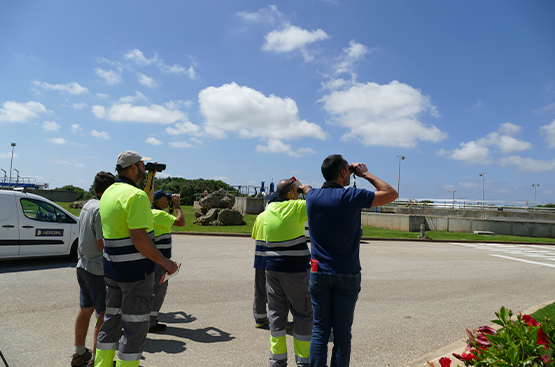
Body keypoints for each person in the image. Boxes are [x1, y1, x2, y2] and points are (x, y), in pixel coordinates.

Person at [306, 154, 398, 367]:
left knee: (319, 332)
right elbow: (391, 193)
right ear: (343, 172)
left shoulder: (312, 197)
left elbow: (307, 189)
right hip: (346, 273)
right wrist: (364, 174)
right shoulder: (352, 197)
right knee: (342, 335)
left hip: (318, 272)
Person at [95, 151, 178, 367]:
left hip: (112, 270)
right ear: (134, 168)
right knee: (135, 326)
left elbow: (143, 198)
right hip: (135, 272)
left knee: (111, 321)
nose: (144, 167)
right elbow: (140, 238)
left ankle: (102, 364)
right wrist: (164, 262)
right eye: (143, 165)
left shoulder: (109, 193)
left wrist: (150, 176)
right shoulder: (136, 196)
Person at [264, 178, 312, 367]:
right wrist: (305, 188)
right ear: (292, 193)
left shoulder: (269, 209)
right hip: (295, 270)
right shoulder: (296, 208)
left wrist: (294, 190)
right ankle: (304, 362)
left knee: (276, 313)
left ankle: (277, 360)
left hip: (272, 268)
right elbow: (317, 201)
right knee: (303, 314)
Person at [72, 172, 116, 367]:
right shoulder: (100, 209)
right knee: (104, 315)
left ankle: (80, 353)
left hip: (82, 265)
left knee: (86, 309)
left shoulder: (87, 205)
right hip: (97, 269)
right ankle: (98, 361)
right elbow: (101, 243)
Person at [149, 189, 185, 333]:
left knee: (151, 289)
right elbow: (180, 222)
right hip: (160, 260)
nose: (168, 200)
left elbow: (168, 218)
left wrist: (171, 204)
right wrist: (177, 205)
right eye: (166, 198)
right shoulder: (159, 214)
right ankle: (151, 322)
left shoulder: (152, 213)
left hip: (153, 257)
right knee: (158, 290)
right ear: (159, 201)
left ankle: (148, 319)